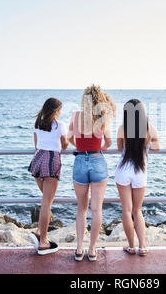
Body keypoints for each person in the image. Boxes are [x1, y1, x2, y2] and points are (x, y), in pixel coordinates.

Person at [68, 85, 115, 261]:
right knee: (97, 209)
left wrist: (80, 147)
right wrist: (98, 149)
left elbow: (69, 138)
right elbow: (109, 141)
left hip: (80, 161)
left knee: (81, 209)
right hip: (98, 161)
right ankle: (92, 249)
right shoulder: (103, 117)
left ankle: (79, 249)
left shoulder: (75, 116)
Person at [115, 99, 160, 257]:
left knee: (127, 210)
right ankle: (142, 246)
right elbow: (156, 147)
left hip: (123, 170)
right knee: (137, 210)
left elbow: (120, 148)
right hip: (140, 171)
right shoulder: (149, 128)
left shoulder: (122, 128)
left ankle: (131, 246)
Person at [27, 97, 69, 255]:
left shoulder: (38, 124)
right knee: (46, 203)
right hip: (51, 161)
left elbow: (36, 145)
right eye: (59, 110)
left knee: (46, 199)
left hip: (38, 160)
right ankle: (43, 242)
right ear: (56, 111)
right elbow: (65, 146)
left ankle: (39, 231)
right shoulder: (60, 125)